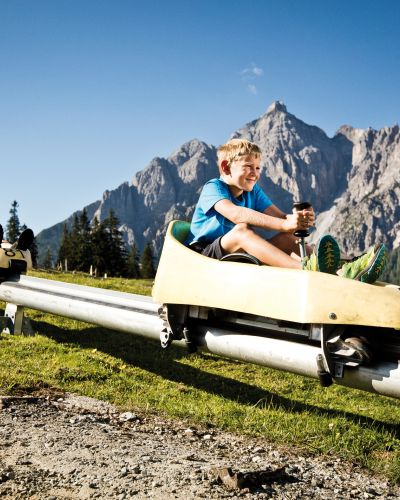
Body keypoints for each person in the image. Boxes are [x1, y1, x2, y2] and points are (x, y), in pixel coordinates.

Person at [186, 138, 386, 284]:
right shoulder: (214, 187)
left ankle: (346, 268)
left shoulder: (253, 191)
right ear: (226, 167)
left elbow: (281, 218)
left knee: (287, 237)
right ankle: (308, 270)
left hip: (236, 254)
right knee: (241, 231)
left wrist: (298, 221)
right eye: (248, 166)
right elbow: (236, 214)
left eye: (258, 168)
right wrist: (284, 223)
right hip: (204, 256)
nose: (255, 174)